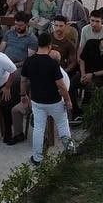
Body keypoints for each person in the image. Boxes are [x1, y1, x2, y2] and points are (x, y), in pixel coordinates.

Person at [22, 33, 73, 164]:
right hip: (54, 101)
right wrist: (67, 99)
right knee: (62, 124)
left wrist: (23, 95)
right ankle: (70, 150)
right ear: (50, 45)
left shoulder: (29, 61)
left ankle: (37, 158)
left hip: (37, 101)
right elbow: (61, 85)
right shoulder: (52, 63)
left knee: (38, 129)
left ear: (37, 44)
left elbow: (23, 81)